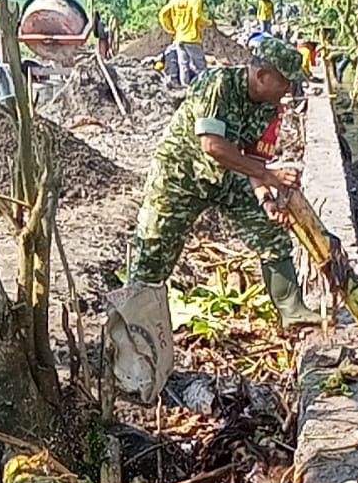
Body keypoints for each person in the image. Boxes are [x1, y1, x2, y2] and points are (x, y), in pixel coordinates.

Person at [128, 38, 321, 325]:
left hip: (228, 175)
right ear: (262, 75)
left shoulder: (269, 107)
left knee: (271, 234)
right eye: (286, 82)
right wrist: (272, 177)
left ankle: (292, 311)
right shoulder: (217, 84)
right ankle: (131, 326)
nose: (289, 91)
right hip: (180, 176)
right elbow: (213, 146)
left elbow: (255, 162)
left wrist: (266, 199)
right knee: (153, 250)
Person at [158, 0, 212, 86]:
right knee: (200, 65)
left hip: (179, 38)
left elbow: (162, 13)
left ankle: (185, 87)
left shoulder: (175, 0)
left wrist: (170, 29)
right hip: (192, 38)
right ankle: (204, 86)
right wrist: (209, 23)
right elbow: (197, 17)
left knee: (183, 64)